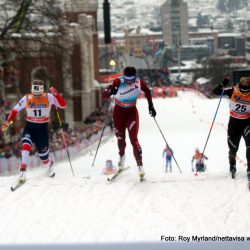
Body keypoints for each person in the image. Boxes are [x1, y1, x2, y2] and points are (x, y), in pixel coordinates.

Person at [1, 79, 67, 182]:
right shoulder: (27, 98)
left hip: (42, 129)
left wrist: (57, 95)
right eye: (35, 95)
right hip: (30, 126)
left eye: (39, 95)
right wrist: (6, 123)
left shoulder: (48, 97)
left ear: (42, 91)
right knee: (26, 145)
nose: (37, 97)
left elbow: (63, 105)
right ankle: (23, 171)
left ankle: (49, 164)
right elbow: (14, 111)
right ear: (32, 91)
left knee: (43, 157)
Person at [102, 66, 156, 180]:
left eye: (131, 79)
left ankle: (140, 165)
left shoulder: (139, 82)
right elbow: (104, 93)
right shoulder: (118, 81)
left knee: (134, 139)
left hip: (131, 112)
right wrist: (110, 91)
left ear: (135, 77)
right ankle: (121, 157)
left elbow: (147, 91)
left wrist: (151, 106)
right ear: (124, 76)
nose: (129, 82)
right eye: (127, 79)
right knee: (121, 139)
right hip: (118, 113)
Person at [213, 77, 250, 180]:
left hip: (247, 124)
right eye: (243, 90)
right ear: (240, 86)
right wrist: (222, 84)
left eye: (247, 90)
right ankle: (232, 163)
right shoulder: (233, 91)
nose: (244, 93)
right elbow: (215, 92)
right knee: (233, 148)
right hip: (234, 125)